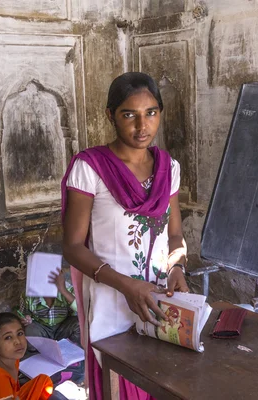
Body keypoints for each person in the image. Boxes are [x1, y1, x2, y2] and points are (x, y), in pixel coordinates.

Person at [61, 72, 189, 400]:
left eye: (151, 113)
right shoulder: (90, 168)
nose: (142, 126)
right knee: (122, 385)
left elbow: (174, 234)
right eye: (129, 115)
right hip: (112, 302)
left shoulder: (168, 168)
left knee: (165, 384)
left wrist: (177, 268)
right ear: (111, 115)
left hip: (160, 303)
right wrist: (127, 286)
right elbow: (74, 248)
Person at [18, 268, 81, 346]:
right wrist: (26, 318)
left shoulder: (68, 289)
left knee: (79, 324)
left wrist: (63, 290)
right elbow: (23, 313)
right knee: (30, 332)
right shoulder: (28, 295)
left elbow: (81, 310)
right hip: (42, 328)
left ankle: (69, 350)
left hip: (63, 327)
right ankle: (42, 352)